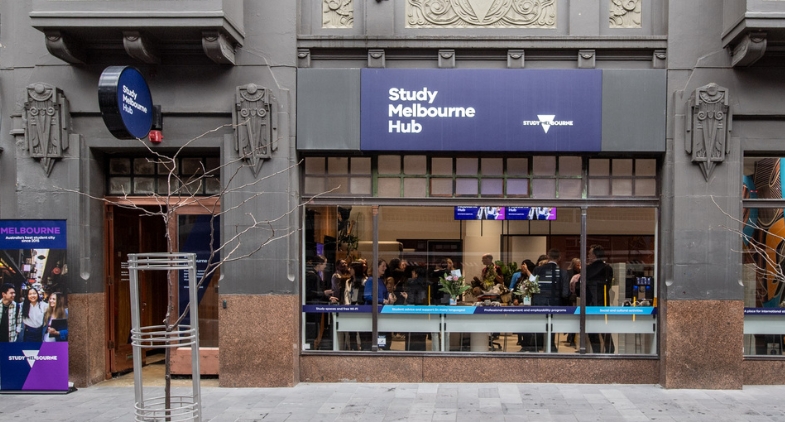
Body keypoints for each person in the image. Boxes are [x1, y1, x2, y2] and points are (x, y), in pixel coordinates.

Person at [531, 248, 569, 352]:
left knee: (539, 325)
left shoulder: (537, 270)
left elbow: (531, 286)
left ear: (548, 257)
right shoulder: (563, 272)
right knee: (552, 326)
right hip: (555, 302)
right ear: (559, 258)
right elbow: (565, 293)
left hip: (539, 301)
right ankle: (550, 346)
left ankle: (537, 347)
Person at [585, 245, 614, 354]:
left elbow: (582, 286)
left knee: (592, 328)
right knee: (604, 327)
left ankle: (596, 350)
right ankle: (610, 348)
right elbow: (609, 285)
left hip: (590, 302)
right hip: (604, 302)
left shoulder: (588, 269)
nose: (588, 255)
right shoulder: (608, 268)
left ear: (594, 255)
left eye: (589, 253)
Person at [566, 258, 581, 347]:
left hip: (576, 298)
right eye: (577, 265)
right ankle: (571, 337)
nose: (579, 266)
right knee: (573, 317)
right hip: (572, 298)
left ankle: (571, 337)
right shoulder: (570, 274)